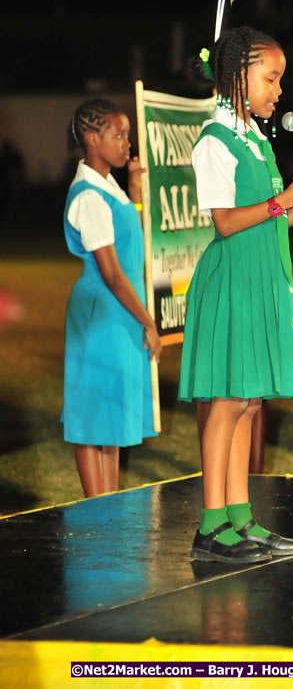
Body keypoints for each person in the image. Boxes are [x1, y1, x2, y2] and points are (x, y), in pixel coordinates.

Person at [177, 26, 293, 563]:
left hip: (262, 276)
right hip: (232, 278)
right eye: (270, 79)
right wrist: (287, 197)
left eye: (280, 80)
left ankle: (240, 518)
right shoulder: (214, 140)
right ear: (237, 77)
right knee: (227, 400)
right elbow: (227, 223)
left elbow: (276, 220)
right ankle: (210, 527)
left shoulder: (255, 137)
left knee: (249, 401)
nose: (278, 90)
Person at [62, 99, 161, 498]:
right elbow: (112, 273)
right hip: (102, 310)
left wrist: (135, 193)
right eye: (119, 135)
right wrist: (148, 322)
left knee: (112, 413)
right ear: (92, 138)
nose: (127, 144)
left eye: (127, 136)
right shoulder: (88, 195)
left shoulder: (109, 185)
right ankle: (96, 509)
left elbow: (130, 242)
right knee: (93, 414)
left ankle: (112, 505)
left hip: (120, 310)